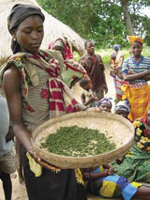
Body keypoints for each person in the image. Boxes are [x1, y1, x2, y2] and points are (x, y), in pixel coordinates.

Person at [0, 4, 100, 200]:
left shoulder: (51, 61)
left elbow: (64, 97)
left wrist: (85, 110)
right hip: (38, 149)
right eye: (28, 31)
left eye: (39, 30)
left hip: (64, 143)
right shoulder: (14, 72)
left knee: (73, 192)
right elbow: (18, 124)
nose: (36, 36)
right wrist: (35, 152)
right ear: (13, 32)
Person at [113, 106, 150, 183]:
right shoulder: (138, 123)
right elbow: (126, 139)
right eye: (149, 115)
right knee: (123, 172)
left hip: (148, 156)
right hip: (133, 152)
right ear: (146, 115)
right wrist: (121, 154)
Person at [82, 164, 150, 200]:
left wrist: (110, 167)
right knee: (120, 185)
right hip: (95, 184)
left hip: (105, 174)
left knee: (124, 182)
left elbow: (103, 160)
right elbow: (85, 176)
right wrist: (103, 174)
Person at [122, 35, 150, 121]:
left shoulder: (148, 60)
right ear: (131, 48)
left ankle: (142, 132)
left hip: (144, 93)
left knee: (144, 115)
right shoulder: (127, 61)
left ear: (142, 47)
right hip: (131, 93)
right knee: (132, 114)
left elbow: (148, 78)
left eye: (138, 47)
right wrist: (145, 73)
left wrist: (133, 74)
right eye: (134, 47)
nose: (136, 49)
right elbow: (125, 77)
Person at [0, 95, 18, 200]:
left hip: (4, 149)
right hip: (4, 148)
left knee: (6, 178)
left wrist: (11, 129)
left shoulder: (4, 102)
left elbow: (13, 120)